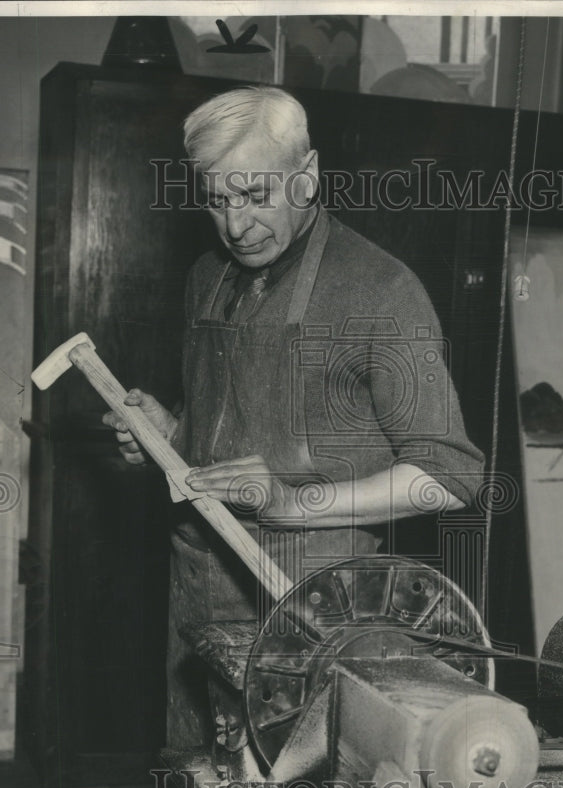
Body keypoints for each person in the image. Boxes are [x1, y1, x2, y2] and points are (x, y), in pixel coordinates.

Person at [104, 86, 484, 747]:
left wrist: (292, 502)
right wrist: (170, 433)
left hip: (305, 595)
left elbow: (450, 477)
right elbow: (229, 418)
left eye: (255, 196)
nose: (235, 225)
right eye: (217, 200)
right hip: (196, 580)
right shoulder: (208, 277)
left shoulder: (381, 292)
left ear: (305, 178)